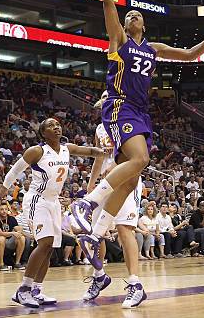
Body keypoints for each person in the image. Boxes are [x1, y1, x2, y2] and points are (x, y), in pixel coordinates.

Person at [71, 0, 204, 289]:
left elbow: (188, 56)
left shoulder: (154, 49)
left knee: (129, 181)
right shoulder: (119, 41)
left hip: (141, 112)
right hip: (119, 104)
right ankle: (88, 203)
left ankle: (95, 234)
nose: (133, 17)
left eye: (137, 15)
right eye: (129, 15)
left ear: (144, 24)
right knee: (140, 160)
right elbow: (108, 0)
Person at [2, 117, 105, 308]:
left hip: (54, 202)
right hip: (36, 200)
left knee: (50, 248)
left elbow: (91, 151)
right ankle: (23, 289)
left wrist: (107, 151)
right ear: (43, 133)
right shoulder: (36, 151)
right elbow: (14, 171)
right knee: (45, 242)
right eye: (50, 125)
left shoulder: (67, 148)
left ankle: (36, 290)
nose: (56, 127)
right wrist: (1, 193)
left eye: (57, 124)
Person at [81, 91, 147, 308]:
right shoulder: (101, 127)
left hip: (126, 180)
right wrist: (91, 184)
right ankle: (99, 275)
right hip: (104, 183)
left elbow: (136, 158)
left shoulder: (131, 121)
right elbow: (101, 157)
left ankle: (135, 284)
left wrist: (115, 167)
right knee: (91, 234)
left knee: (124, 229)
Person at [0, 203, 26, 270]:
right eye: (2, 209)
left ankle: (17, 263)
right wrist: (13, 233)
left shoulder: (11, 218)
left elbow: (18, 228)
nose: (4, 211)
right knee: (1, 238)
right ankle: (1, 264)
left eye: (6, 209)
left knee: (21, 237)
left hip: (10, 240)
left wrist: (19, 231)